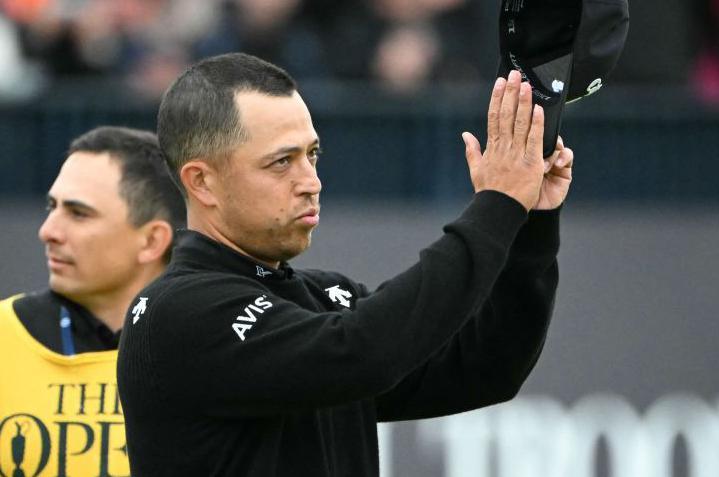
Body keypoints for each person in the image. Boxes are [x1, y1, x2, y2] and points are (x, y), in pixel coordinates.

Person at [117, 52, 574, 476]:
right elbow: (363, 352)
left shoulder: (317, 297)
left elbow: (486, 366)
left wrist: (530, 222)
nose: (311, 182)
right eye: (281, 162)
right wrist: (496, 206)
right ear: (202, 183)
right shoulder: (175, 311)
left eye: (311, 155)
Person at [0, 126, 184, 476]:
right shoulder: (3, 337)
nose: (48, 231)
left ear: (151, 241)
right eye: (52, 207)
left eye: (78, 213)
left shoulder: (216, 351)